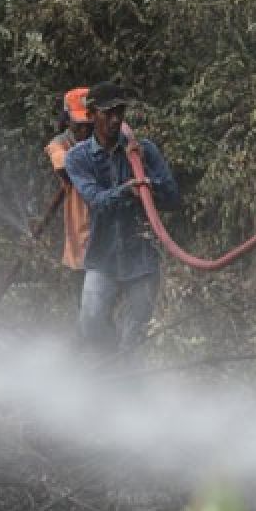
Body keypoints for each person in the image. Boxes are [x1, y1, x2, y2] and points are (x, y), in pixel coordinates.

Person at [64, 81, 179, 354]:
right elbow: (95, 200)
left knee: (136, 333)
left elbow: (173, 198)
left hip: (141, 258)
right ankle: (108, 368)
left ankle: (129, 381)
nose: (115, 119)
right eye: (108, 113)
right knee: (90, 322)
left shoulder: (144, 150)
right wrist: (129, 190)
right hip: (103, 256)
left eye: (120, 112)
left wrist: (150, 187)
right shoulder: (77, 158)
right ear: (92, 115)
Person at [39, 87, 93, 284]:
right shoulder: (60, 144)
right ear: (68, 120)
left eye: (90, 123)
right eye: (79, 124)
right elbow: (62, 163)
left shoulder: (107, 140)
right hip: (82, 233)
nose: (85, 129)